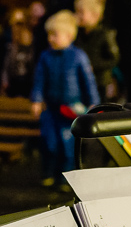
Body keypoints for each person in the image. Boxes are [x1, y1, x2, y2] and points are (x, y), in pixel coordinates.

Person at [30, 11, 99, 187]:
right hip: (51, 109)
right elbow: (39, 80)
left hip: (71, 109)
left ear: (68, 35)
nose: (50, 38)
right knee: (49, 143)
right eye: (49, 35)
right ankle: (48, 173)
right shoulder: (45, 57)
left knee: (68, 146)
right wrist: (36, 100)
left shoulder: (78, 56)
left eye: (55, 34)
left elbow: (88, 81)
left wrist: (93, 102)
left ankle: (66, 179)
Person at [74, 0, 119, 102]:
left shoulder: (105, 33)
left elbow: (114, 58)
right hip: (82, 80)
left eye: (81, 12)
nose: (77, 16)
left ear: (95, 14)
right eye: (77, 12)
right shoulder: (78, 34)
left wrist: (94, 66)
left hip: (100, 81)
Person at [2, 21, 36, 98]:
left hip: (27, 81)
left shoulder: (33, 51)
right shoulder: (13, 49)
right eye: (24, 35)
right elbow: (6, 66)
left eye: (27, 35)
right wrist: (5, 80)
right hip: (14, 80)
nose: (25, 37)